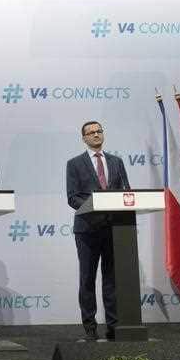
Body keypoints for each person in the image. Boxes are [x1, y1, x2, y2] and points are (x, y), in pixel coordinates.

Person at [66, 121, 129, 341]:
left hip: (114, 228)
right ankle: (90, 326)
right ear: (83, 138)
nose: (95, 135)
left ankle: (114, 325)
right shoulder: (74, 164)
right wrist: (98, 208)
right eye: (91, 133)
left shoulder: (117, 162)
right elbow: (72, 197)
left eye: (99, 131)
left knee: (111, 278)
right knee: (87, 278)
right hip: (87, 230)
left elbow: (126, 193)